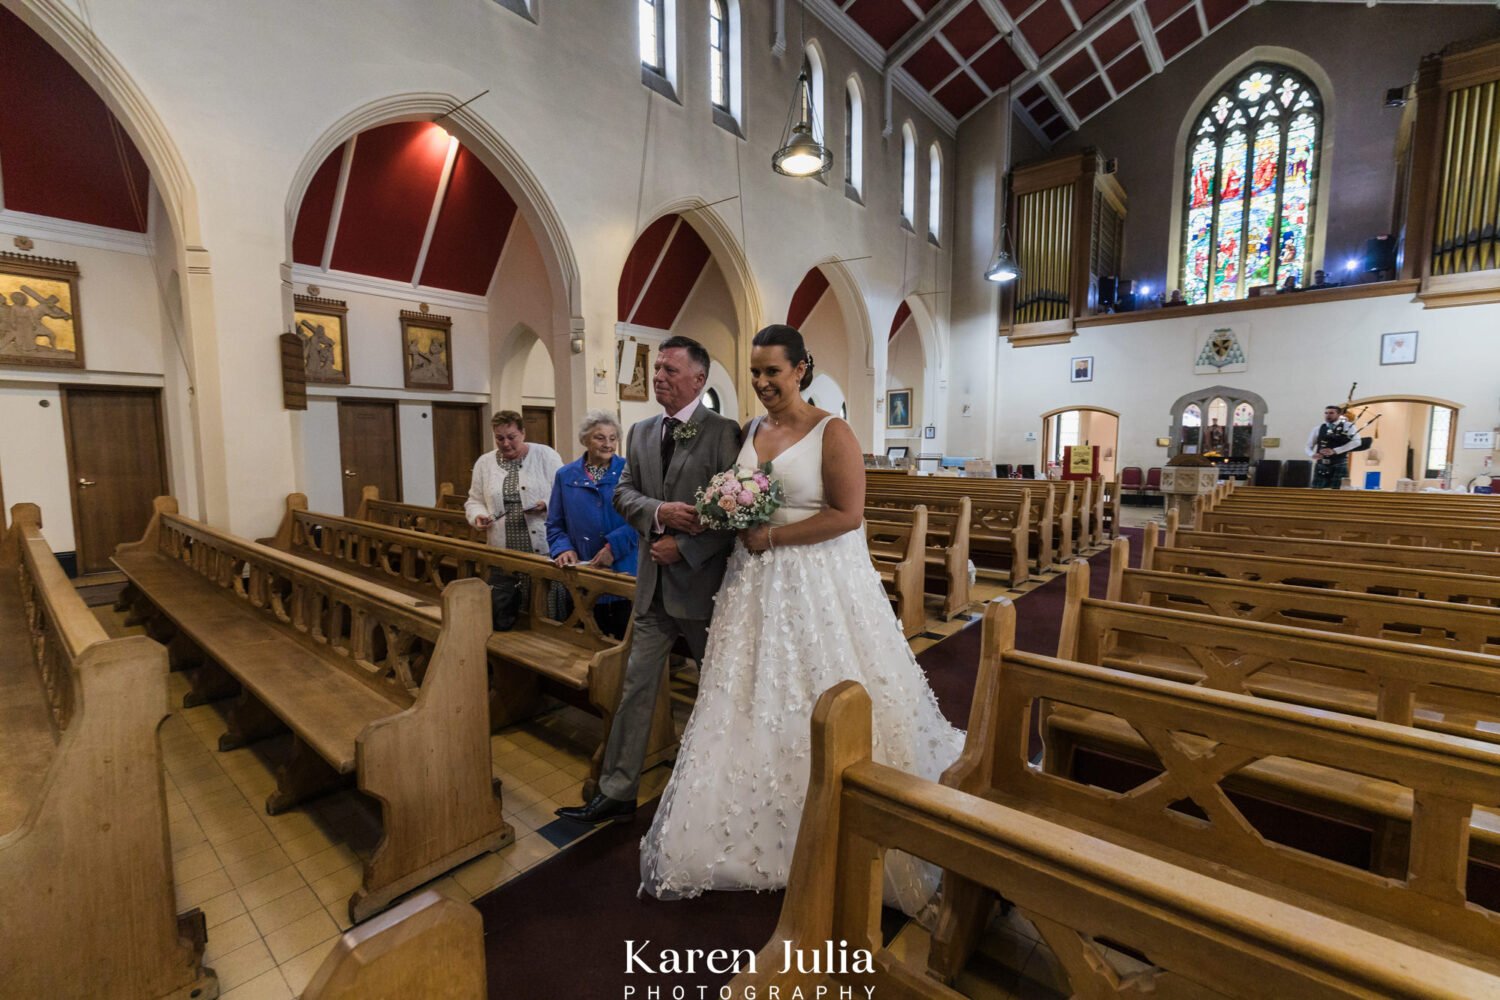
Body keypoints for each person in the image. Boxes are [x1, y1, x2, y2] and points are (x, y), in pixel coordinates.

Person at [636, 325, 963, 916]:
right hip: (751, 585)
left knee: (822, 687)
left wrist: (773, 536)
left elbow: (847, 515)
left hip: (819, 583)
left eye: (772, 372)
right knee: (748, 695)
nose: (761, 383)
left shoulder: (832, 431)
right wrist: (719, 516)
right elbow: (736, 496)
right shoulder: (752, 430)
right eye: (755, 372)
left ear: (801, 369)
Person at [556, 336, 742, 825]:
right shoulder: (639, 432)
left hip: (704, 589)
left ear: (699, 381)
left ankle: (719, 789)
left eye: (670, 370)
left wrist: (684, 546)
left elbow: (737, 513)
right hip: (652, 588)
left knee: (716, 690)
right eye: (657, 368)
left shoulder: (725, 433)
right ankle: (617, 789)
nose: (658, 376)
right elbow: (623, 493)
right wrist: (658, 513)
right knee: (635, 687)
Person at [465, 410, 563, 628]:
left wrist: (545, 504)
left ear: (523, 433)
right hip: (504, 547)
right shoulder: (484, 463)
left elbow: (563, 493)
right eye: (500, 438)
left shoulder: (546, 456)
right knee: (507, 610)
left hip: (541, 545)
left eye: (511, 437)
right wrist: (478, 516)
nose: (506, 443)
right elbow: (474, 500)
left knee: (542, 608)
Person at [545, 409, 637, 639]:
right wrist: (563, 548)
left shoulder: (630, 472)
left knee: (623, 646)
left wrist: (612, 547)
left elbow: (641, 520)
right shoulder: (565, 475)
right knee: (583, 644)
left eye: (613, 438)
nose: (607, 444)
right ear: (585, 439)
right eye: (600, 437)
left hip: (623, 571)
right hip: (582, 572)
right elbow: (555, 523)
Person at [1307, 403, 1361, 489]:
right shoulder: (1318, 428)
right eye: (1326, 413)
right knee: (1316, 493)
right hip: (1321, 465)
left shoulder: (1348, 426)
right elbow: (1308, 446)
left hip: (1339, 464)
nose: (1328, 415)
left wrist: (1335, 451)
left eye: (1331, 413)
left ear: (1339, 414)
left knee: (1337, 493)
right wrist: (1312, 454)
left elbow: (1357, 442)